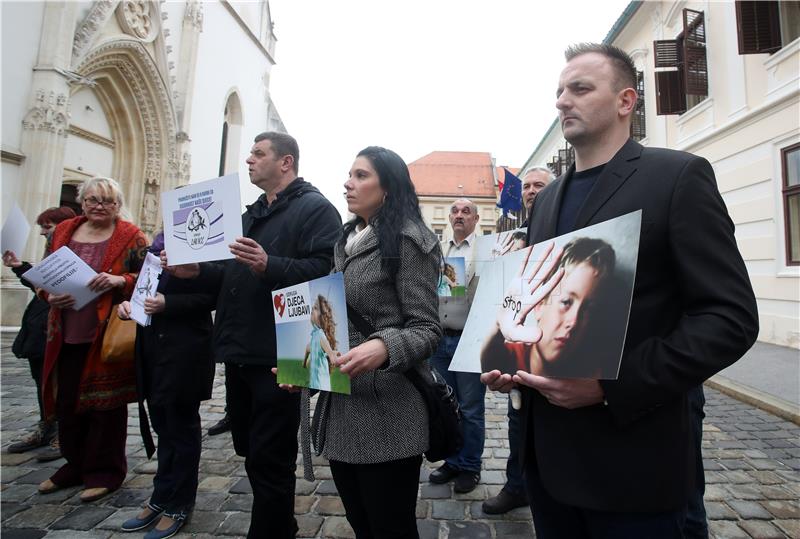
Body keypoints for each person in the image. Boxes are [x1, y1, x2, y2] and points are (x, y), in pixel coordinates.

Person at [481, 43, 758, 538]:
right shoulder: (544, 204)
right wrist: (511, 361)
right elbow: (539, 304)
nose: (563, 101)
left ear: (626, 101)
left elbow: (729, 318)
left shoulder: (677, 177)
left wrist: (611, 386)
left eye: (580, 89)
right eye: (560, 91)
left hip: (633, 468)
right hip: (548, 467)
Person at [162, 131, 341, 538]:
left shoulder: (315, 209)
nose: (249, 160)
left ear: (286, 162)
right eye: (250, 153)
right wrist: (196, 272)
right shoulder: (250, 214)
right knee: (248, 447)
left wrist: (270, 265)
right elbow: (229, 273)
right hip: (239, 349)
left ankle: (271, 531)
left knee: (270, 457)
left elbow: (327, 275)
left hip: (283, 354)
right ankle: (282, 522)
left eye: (259, 154)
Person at [301, 146, 441, 538]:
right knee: (362, 523)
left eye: (361, 175)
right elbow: (327, 318)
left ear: (389, 188)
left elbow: (427, 328)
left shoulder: (410, 240)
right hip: (342, 408)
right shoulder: (344, 240)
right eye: (349, 174)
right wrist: (304, 363)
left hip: (389, 412)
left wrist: (384, 347)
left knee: (390, 527)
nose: (348, 182)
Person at [37, 177, 148, 503]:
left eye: (108, 201)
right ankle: (75, 464)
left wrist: (119, 279)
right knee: (67, 402)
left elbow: (147, 278)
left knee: (105, 405)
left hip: (106, 333)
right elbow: (45, 272)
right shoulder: (63, 232)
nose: (99, 206)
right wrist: (47, 294)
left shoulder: (131, 236)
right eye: (93, 200)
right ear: (82, 201)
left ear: (117, 205)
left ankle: (105, 471)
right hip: (66, 329)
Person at [116, 232, 216, 539]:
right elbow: (143, 291)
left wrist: (168, 303)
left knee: (182, 431)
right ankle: (161, 495)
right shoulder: (155, 249)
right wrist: (129, 306)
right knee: (162, 426)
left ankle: (180, 502)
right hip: (151, 351)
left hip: (184, 354)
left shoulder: (204, 249)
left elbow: (212, 297)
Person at [484, 165, 553, 515]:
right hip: (515, 341)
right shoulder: (513, 237)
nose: (530, 191)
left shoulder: (565, 229)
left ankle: (551, 491)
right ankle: (516, 486)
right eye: (526, 186)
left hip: (552, 344)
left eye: (539, 185)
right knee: (516, 419)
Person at [480, 237, 615, 376]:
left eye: (589, 309)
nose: (574, 322)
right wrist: (499, 326)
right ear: (539, 305)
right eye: (566, 302)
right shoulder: (514, 355)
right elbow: (489, 363)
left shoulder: (593, 374)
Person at [3, 206, 76, 461]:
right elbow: (41, 283)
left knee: (61, 382)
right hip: (39, 323)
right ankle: (47, 424)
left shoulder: (71, 250)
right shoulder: (51, 249)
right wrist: (18, 267)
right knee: (41, 379)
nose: (44, 232)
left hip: (57, 324)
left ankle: (64, 434)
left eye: (48, 226)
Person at [427, 198, 484, 493]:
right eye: (455, 211)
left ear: (476, 218)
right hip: (440, 337)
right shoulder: (438, 249)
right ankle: (452, 461)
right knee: (446, 404)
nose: (459, 215)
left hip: (470, 339)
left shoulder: (485, 249)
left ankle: (470, 465)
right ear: (449, 217)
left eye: (466, 212)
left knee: (471, 408)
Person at [303, 295, 339, 392]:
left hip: (321, 380)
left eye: (315, 308)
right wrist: (304, 362)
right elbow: (308, 348)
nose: (311, 309)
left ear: (322, 317)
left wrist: (334, 357)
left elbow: (331, 355)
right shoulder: (314, 335)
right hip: (314, 379)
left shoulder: (320, 336)